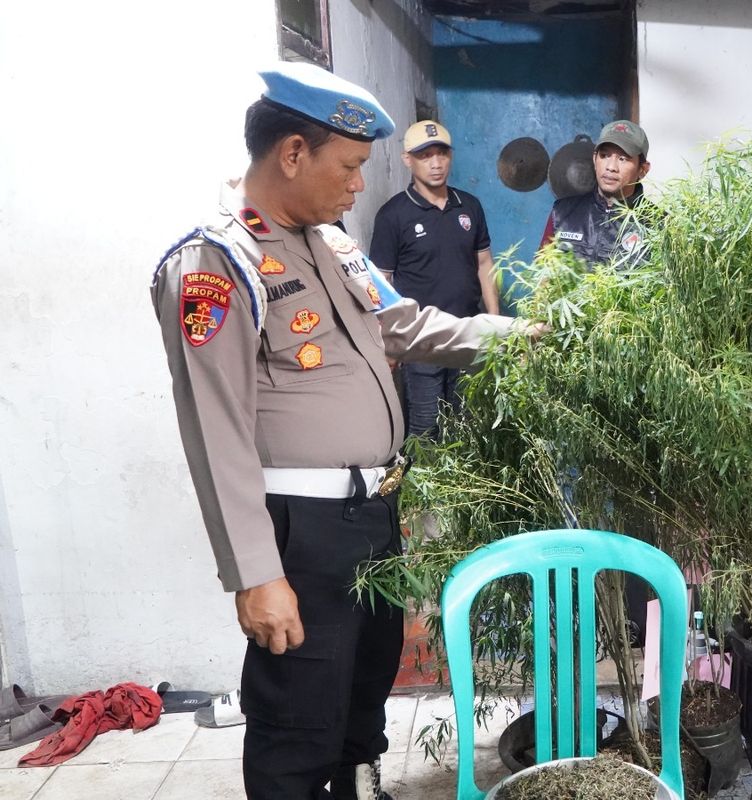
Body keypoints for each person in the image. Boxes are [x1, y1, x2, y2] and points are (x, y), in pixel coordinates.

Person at [150, 62, 539, 800]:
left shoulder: (332, 247)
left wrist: (519, 336)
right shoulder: (217, 264)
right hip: (303, 533)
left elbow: (406, 324)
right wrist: (257, 576)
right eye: (351, 166)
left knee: (362, 695)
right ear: (293, 153)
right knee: (299, 717)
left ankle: (361, 791)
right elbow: (215, 431)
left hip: (372, 516)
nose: (360, 185)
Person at [369, 121, 500, 439]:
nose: (436, 163)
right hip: (421, 340)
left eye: (441, 154)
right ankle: (425, 487)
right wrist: (387, 344)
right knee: (426, 425)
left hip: (468, 332)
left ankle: (467, 487)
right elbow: (380, 284)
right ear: (407, 160)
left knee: (468, 422)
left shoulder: (469, 206)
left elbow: (484, 264)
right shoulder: (393, 215)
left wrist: (495, 324)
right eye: (425, 155)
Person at [540, 119, 652, 268]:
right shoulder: (562, 213)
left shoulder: (658, 226)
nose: (611, 167)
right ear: (594, 158)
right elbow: (542, 279)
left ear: (643, 169)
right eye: (604, 156)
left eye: (623, 159)